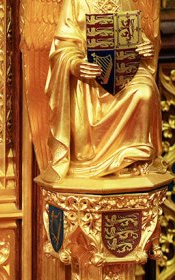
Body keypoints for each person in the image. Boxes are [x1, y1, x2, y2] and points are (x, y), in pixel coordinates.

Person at [42, 0, 163, 181]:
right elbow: (63, 48)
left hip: (123, 73)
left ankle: (134, 157)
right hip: (89, 79)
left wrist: (144, 48)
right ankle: (92, 160)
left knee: (145, 91)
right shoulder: (75, 2)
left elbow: (133, 34)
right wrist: (75, 64)